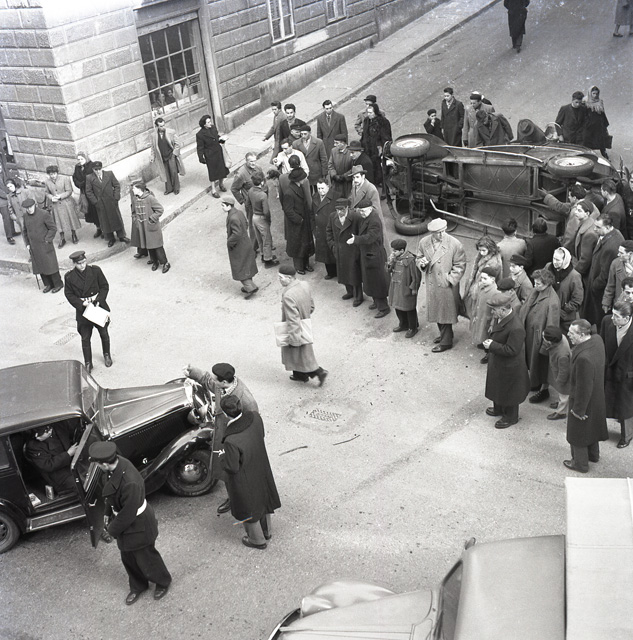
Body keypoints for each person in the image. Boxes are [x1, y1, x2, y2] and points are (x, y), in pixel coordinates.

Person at [89, 441, 172, 605]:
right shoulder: (117, 465)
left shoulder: (129, 482)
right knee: (128, 557)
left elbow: (128, 513)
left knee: (147, 558)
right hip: (126, 523)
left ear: (105, 464)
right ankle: (138, 586)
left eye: (97, 464)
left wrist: (110, 531)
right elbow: (112, 494)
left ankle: (162, 582)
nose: (97, 467)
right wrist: (107, 512)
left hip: (138, 525)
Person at [217, 395, 281, 549]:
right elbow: (261, 435)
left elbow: (232, 467)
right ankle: (267, 531)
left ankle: (257, 540)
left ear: (225, 414)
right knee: (263, 498)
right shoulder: (255, 418)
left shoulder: (231, 440)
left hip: (244, 477)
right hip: (260, 466)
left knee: (248, 506)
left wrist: (222, 458)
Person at [416, 217, 467, 352]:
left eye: (443, 231)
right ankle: (446, 335)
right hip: (433, 283)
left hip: (446, 286)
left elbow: (460, 265)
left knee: (444, 313)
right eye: (437, 232)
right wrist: (421, 263)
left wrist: (449, 279)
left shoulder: (454, 244)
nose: (441, 235)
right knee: (438, 312)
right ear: (432, 232)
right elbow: (418, 257)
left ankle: (446, 342)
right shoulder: (424, 242)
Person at [564, 320, 608, 473]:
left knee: (578, 433)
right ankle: (593, 455)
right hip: (597, 397)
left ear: (582, 335)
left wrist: (578, 411)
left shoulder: (583, 358)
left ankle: (580, 464)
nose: (568, 335)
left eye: (572, 333)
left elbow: (583, 388)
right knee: (592, 428)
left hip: (584, 401)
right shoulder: (597, 340)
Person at [482, 292, 530, 428]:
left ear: (503, 310)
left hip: (510, 366)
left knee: (509, 393)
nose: (492, 312)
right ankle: (498, 408)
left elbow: (512, 350)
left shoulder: (516, 327)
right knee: (498, 387)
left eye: (494, 309)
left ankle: (511, 417)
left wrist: (492, 345)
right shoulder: (502, 318)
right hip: (500, 362)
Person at [278, 264, 328, 385]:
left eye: (281, 277)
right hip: (305, 323)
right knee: (300, 354)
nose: (279, 280)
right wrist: (306, 313)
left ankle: (318, 372)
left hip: (295, 330)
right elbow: (311, 305)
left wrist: (294, 340)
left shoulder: (288, 295)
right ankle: (300, 375)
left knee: (300, 354)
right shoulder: (304, 284)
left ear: (289, 278)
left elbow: (293, 320)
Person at [64, 250, 112, 371]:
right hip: (83, 311)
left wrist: (99, 300)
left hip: (97, 306)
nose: (82, 265)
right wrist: (81, 303)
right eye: (79, 263)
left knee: (104, 333)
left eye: (84, 262)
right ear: (74, 264)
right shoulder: (69, 277)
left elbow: (104, 286)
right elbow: (69, 294)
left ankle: (107, 355)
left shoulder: (95, 271)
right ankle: (88, 362)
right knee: (85, 338)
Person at [520, 269, 560, 403]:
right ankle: (534, 383)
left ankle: (543, 389)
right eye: (535, 282)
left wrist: (545, 345)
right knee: (531, 361)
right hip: (529, 334)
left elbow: (552, 326)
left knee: (540, 364)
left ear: (547, 284)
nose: (535, 285)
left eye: (538, 284)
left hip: (538, 338)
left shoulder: (552, 301)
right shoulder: (536, 291)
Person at [347, 198, 391, 318]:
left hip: (374, 256)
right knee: (372, 282)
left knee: (377, 283)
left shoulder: (374, 221)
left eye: (364, 211)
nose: (361, 213)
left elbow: (370, 237)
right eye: (360, 211)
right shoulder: (367, 217)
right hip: (369, 255)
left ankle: (384, 308)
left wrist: (356, 239)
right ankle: (377, 302)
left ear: (371, 209)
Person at [582, 213, 625, 328]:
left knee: (598, 319)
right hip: (597, 285)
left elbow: (605, 275)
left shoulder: (610, 247)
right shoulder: (614, 234)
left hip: (599, 291)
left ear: (607, 227)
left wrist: (594, 286)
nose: (594, 229)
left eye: (598, 227)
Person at [601, 300, 633, 448]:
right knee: (607, 401)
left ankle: (627, 436)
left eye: (616, 316)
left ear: (627, 318)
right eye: (613, 314)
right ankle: (601, 430)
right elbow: (602, 344)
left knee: (626, 408)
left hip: (627, 375)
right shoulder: (606, 322)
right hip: (610, 371)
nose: (612, 318)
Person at [326, 197, 363, 306]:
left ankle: (358, 297)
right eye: (337, 209)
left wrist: (357, 246)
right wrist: (333, 245)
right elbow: (328, 231)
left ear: (347, 208)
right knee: (344, 272)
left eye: (341, 209)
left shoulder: (355, 217)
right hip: (340, 250)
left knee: (355, 274)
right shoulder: (332, 216)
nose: (339, 212)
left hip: (352, 250)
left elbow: (361, 232)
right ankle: (350, 292)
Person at [21, 198, 63, 293]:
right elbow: (25, 231)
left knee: (50, 265)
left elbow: (53, 228)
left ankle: (58, 284)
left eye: (30, 207)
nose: (29, 209)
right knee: (40, 266)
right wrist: (27, 243)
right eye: (27, 208)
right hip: (34, 246)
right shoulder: (25, 216)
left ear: (35, 205)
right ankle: (48, 284)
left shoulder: (44, 214)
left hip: (45, 245)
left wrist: (47, 240)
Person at [85, 162, 130, 247]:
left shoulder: (109, 174)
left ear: (102, 168)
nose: (98, 171)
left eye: (99, 169)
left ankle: (121, 236)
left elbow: (116, 185)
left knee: (116, 218)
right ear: (93, 170)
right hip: (100, 203)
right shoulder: (89, 178)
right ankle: (110, 238)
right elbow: (89, 192)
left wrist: (116, 197)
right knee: (105, 221)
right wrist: (96, 202)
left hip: (111, 201)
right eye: (95, 169)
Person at [280, 167, 315, 274]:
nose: (305, 179)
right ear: (298, 180)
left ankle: (306, 264)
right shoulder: (289, 193)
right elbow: (288, 210)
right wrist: (299, 219)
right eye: (303, 177)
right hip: (297, 225)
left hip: (303, 223)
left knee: (305, 245)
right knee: (298, 247)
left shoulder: (298, 187)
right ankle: (299, 267)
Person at [222, 197, 258, 298]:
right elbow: (245, 224)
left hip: (238, 247)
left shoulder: (232, 218)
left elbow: (236, 234)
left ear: (229, 206)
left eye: (223, 205)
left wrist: (229, 242)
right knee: (246, 265)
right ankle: (250, 285)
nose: (222, 207)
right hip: (245, 242)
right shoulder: (239, 213)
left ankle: (250, 288)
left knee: (239, 268)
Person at [25, 425, 78, 494]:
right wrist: (68, 454)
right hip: (60, 476)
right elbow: (48, 465)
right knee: (81, 485)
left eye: (39, 434)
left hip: (74, 465)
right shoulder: (32, 446)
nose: (36, 437)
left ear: (49, 431)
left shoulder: (60, 428)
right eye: (35, 434)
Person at [130, 182, 170, 274]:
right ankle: (155, 262)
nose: (133, 190)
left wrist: (152, 219)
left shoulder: (150, 198)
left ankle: (165, 263)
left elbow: (160, 210)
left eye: (134, 188)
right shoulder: (135, 199)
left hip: (151, 226)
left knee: (157, 246)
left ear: (139, 189)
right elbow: (133, 212)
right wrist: (135, 220)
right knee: (149, 245)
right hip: (142, 227)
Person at [231, 152, 265, 253]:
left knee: (263, 222)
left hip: (260, 201)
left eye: (255, 161)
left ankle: (265, 244)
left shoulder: (258, 168)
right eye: (251, 161)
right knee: (253, 225)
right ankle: (253, 248)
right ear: (246, 161)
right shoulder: (241, 174)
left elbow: (263, 181)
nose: (253, 163)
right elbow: (234, 189)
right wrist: (243, 201)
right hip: (250, 204)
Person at [387, 238, 421, 338]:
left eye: (395, 251)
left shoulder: (410, 260)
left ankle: (413, 327)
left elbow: (416, 276)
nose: (393, 252)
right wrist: (390, 262)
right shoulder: (395, 258)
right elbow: (388, 270)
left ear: (402, 250)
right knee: (398, 307)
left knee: (409, 309)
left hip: (406, 289)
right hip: (396, 288)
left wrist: (413, 288)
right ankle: (403, 324)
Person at [463, 235, 502, 318]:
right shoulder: (483, 256)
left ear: (490, 249)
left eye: (483, 250)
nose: (481, 253)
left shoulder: (493, 263)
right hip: (477, 285)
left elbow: (489, 280)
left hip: (482, 288)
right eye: (480, 250)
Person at [546, 247, 583, 333]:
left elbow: (577, 300)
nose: (554, 262)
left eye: (558, 260)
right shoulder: (548, 267)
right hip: (549, 314)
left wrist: (561, 311)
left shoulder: (574, 276)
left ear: (565, 260)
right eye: (554, 258)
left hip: (565, 319)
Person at [44, 165, 81, 248]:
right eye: (51, 174)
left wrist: (60, 196)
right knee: (58, 222)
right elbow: (46, 192)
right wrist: (51, 197)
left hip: (66, 203)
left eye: (54, 173)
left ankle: (74, 234)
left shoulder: (65, 179)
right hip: (55, 204)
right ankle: (62, 238)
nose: (52, 176)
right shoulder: (47, 182)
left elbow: (69, 191)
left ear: (57, 173)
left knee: (70, 219)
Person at [542, 326, 571, 421]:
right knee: (562, 394)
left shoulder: (562, 355)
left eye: (544, 337)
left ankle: (561, 412)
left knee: (564, 395)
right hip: (559, 373)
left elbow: (564, 372)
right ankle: (560, 404)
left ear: (550, 342)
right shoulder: (561, 338)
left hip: (564, 379)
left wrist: (559, 382)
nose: (543, 336)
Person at [248, 173, 278, 267]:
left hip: (254, 216)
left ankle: (263, 255)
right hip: (261, 218)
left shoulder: (250, 191)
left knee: (259, 238)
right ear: (261, 182)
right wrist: (268, 219)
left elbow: (248, 204)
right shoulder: (262, 195)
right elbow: (266, 211)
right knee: (266, 239)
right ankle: (268, 259)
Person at [360, 103, 391, 190]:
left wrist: (381, 148)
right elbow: (364, 134)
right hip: (368, 149)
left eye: (371, 113)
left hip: (377, 150)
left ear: (376, 112)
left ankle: (383, 189)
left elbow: (386, 137)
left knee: (380, 169)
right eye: (368, 112)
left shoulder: (383, 122)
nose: (369, 114)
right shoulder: (366, 120)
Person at [196, 114, 228, 198]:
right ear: (204, 124)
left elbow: (216, 137)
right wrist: (201, 157)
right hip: (210, 155)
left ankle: (221, 184)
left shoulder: (213, 128)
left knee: (222, 169)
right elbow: (200, 147)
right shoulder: (200, 135)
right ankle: (213, 190)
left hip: (218, 152)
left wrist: (222, 139)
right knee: (212, 172)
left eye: (210, 121)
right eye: (208, 122)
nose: (210, 123)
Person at [150, 117, 184, 195]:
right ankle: (169, 189)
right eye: (161, 126)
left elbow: (177, 143)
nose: (163, 127)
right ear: (157, 126)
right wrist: (152, 156)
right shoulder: (153, 135)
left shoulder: (171, 132)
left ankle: (176, 188)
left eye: (164, 125)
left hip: (171, 155)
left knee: (173, 172)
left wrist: (174, 153)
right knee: (165, 173)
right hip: (161, 157)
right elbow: (153, 147)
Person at [469, 267, 498, 358]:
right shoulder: (482, 287)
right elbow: (477, 301)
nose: (482, 280)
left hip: (488, 319)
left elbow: (496, 310)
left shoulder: (495, 292)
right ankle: (484, 345)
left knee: (488, 335)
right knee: (482, 333)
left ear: (492, 279)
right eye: (481, 278)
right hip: (481, 315)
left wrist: (492, 323)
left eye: (485, 278)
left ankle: (489, 354)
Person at [312, 179, 337, 279]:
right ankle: (330, 272)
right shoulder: (315, 197)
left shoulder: (335, 197)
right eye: (318, 188)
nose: (320, 191)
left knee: (333, 251)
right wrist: (314, 229)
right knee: (325, 253)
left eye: (322, 188)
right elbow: (312, 214)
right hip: (320, 230)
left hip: (331, 229)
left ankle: (338, 272)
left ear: (328, 186)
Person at [72, 152, 101, 237]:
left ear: (86, 158)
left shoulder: (91, 165)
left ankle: (104, 228)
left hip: (93, 192)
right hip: (84, 192)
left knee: (98, 210)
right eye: (78, 159)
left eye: (82, 159)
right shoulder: (77, 167)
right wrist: (79, 184)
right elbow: (74, 178)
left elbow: (95, 177)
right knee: (91, 212)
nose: (80, 161)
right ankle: (98, 228)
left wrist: (86, 183)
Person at [292, 124, 328, 191]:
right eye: (301, 134)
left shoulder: (318, 142)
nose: (303, 136)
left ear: (310, 133)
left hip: (316, 172)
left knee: (318, 191)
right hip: (304, 173)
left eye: (305, 134)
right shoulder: (295, 144)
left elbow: (323, 158)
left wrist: (324, 173)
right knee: (307, 192)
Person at [570, 201, 599, 280]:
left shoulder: (589, 234)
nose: (575, 212)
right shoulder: (586, 222)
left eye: (579, 211)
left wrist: (574, 274)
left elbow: (585, 260)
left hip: (584, 275)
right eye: (576, 209)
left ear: (587, 213)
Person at [602, 240, 633, 313]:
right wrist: (606, 303)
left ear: (630, 254)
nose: (618, 254)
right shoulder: (615, 263)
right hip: (620, 304)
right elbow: (610, 285)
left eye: (621, 253)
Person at [583, 86, 610, 158]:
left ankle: (605, 155)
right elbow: (583, 114)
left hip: (599, 124)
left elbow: (602, 113)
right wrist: (587, 123)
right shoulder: (585, 102)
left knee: (601, 140)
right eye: (593, 93)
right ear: (590, 93)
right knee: (587, 140)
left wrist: (605, 124)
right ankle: (587, 156)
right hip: (589, 125)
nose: (595, 95)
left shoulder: (600, 101)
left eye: (597, 94)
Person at [0, 165, 14, 244]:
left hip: (6, 197)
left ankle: (12, 231)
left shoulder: (2, 173)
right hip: (1, 201)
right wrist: (7, 196)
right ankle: (9, 237)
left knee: (10, 214)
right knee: (6, 218)